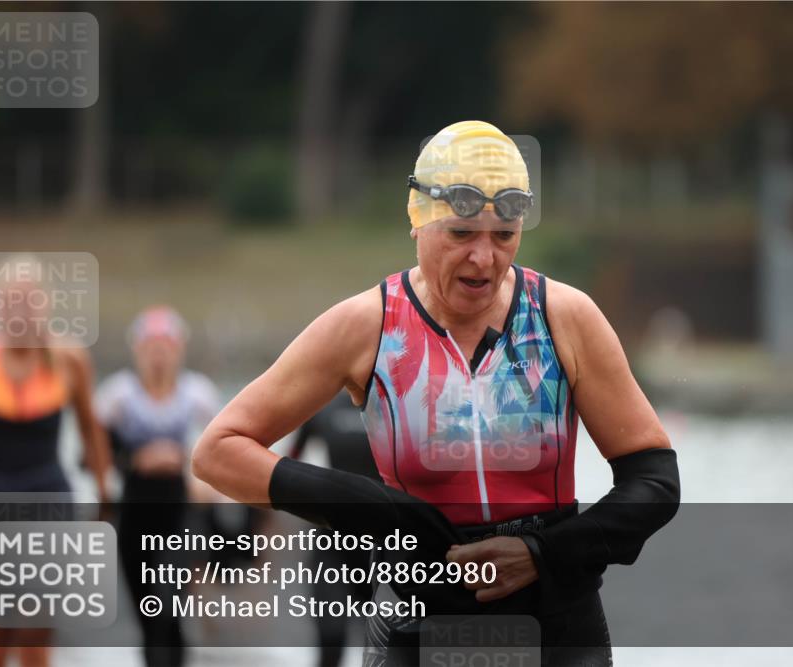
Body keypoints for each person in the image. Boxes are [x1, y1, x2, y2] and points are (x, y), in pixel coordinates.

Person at [193, 121, 680, 666]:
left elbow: (655, 482)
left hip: (555, 626)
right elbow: (218, 451)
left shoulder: (564, 317)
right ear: (418, 222)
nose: (484, 259)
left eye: (503, 236)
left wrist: (542, 554)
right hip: (420, 626)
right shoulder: (368, 327)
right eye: (462, 233)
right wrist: (378, 511)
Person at [0, 264, 110, 667]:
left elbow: (92, 431)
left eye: (29, 300)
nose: (19, 310)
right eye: (10, 300)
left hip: (48, 508)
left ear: (45, 305)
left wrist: (106, 494)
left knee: (35, 642)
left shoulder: (69, 359)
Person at [93, 306, 220, 667]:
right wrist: (135, 460)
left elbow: (228, 447)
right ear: (137, 350)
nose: (158, 354)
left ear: (179, 350)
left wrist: (188, 465)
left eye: (166, 346)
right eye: (151, 346)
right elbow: (90, 457)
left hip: (180, 514)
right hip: (134, 514)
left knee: (167, 604)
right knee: (150, 619)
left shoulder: (197, 394)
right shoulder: (118, 396)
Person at [289, 392, 381, 667]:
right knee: (331, 636)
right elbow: (290, 462)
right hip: (333, 540)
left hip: (386, 542)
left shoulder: (398, 406)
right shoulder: (322, 406)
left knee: (387, 646)